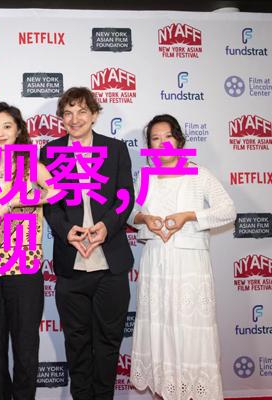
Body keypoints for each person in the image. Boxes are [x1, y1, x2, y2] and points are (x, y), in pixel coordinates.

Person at [128, 114, 236, 400]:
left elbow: (228, 210)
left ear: (178, 140)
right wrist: (145, 219)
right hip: (156, 263)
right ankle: (163, 393)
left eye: (167, 136)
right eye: (155, 138)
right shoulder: (146, 177)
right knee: (159, 331)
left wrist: (189, 215)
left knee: (191, 331)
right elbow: (130, 213)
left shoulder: (199, 174)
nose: (162, 143)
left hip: (189, 266)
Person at [39, 87, 135, 400]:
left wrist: (107, 226)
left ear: (94, 115)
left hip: (110, 266)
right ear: (61, 118)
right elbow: (49, 203)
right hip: (71, 266)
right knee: (77, 345)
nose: (75, 119)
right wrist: (65, 230)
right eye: (68, 113)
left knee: (108, 345)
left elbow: (125, 196)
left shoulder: (115, 149)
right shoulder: (50, 152)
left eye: (82, 111)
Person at [0, 102, 60, 400]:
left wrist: (14, 201)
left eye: (7, 126)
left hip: (24, 266)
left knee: (25, 348)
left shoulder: (30, 163)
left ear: (19, 130)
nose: (0, 133)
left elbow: (57, 190)